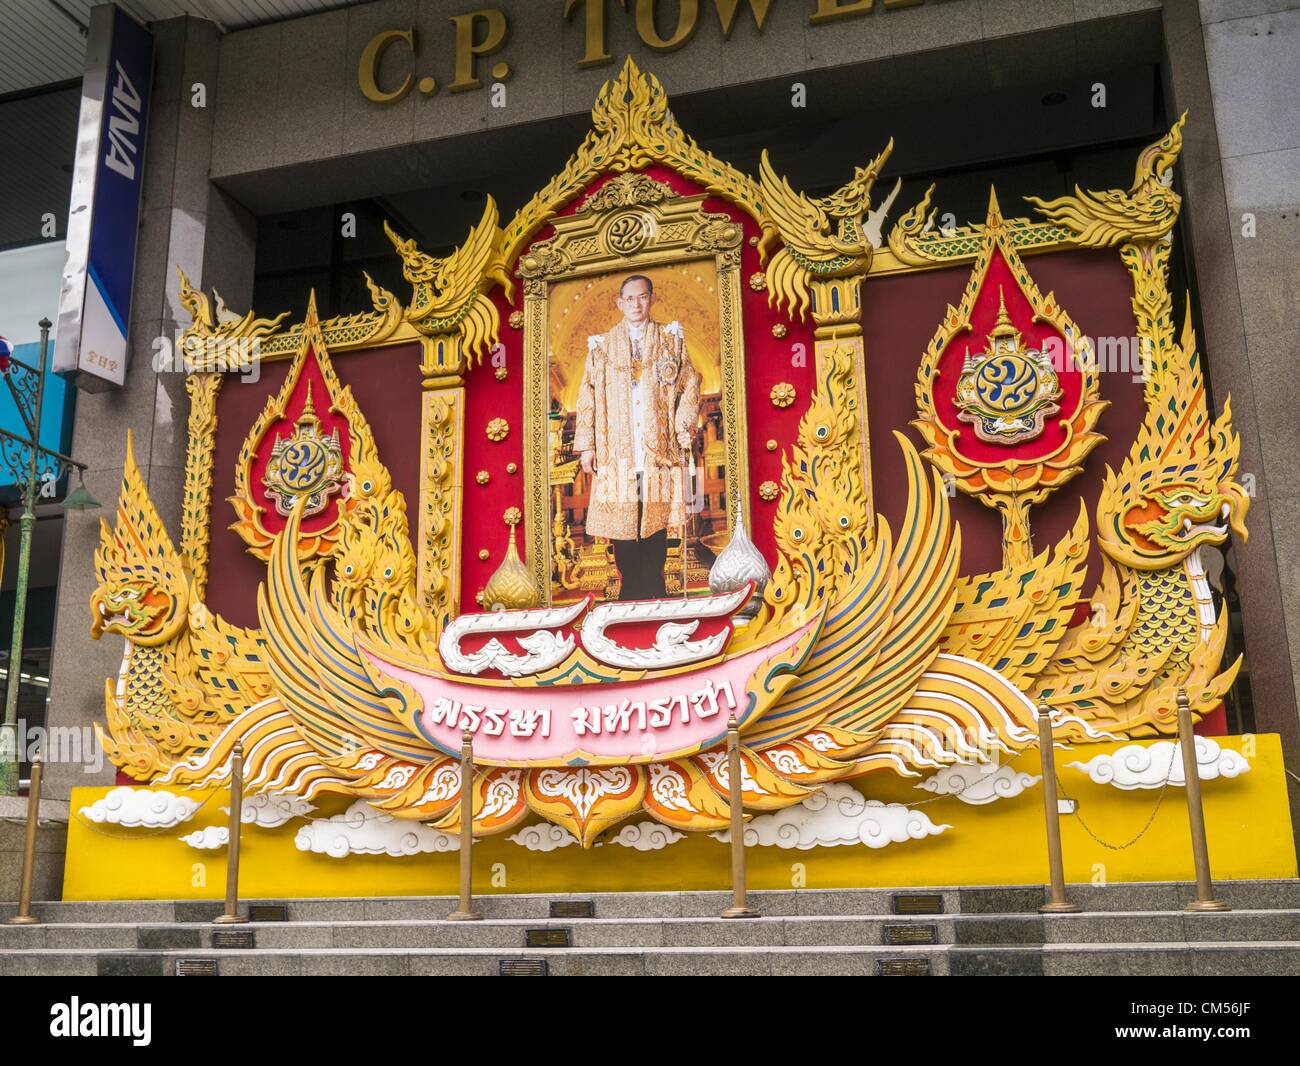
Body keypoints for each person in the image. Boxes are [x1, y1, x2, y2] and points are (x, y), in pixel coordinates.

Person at [573, 274, 701, 600]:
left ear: (651, 298)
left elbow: (688, 385)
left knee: (654, 523)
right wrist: (587, 445)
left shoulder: (671, 341)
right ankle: (631, 591)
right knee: (624, 526)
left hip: (656, 452)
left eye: (642, 297)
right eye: (629, 299)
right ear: (619, 303)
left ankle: (654, 590)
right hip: (617, 453)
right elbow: (586, 397)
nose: (636, 304)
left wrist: (684, 423)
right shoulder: (600, 348)